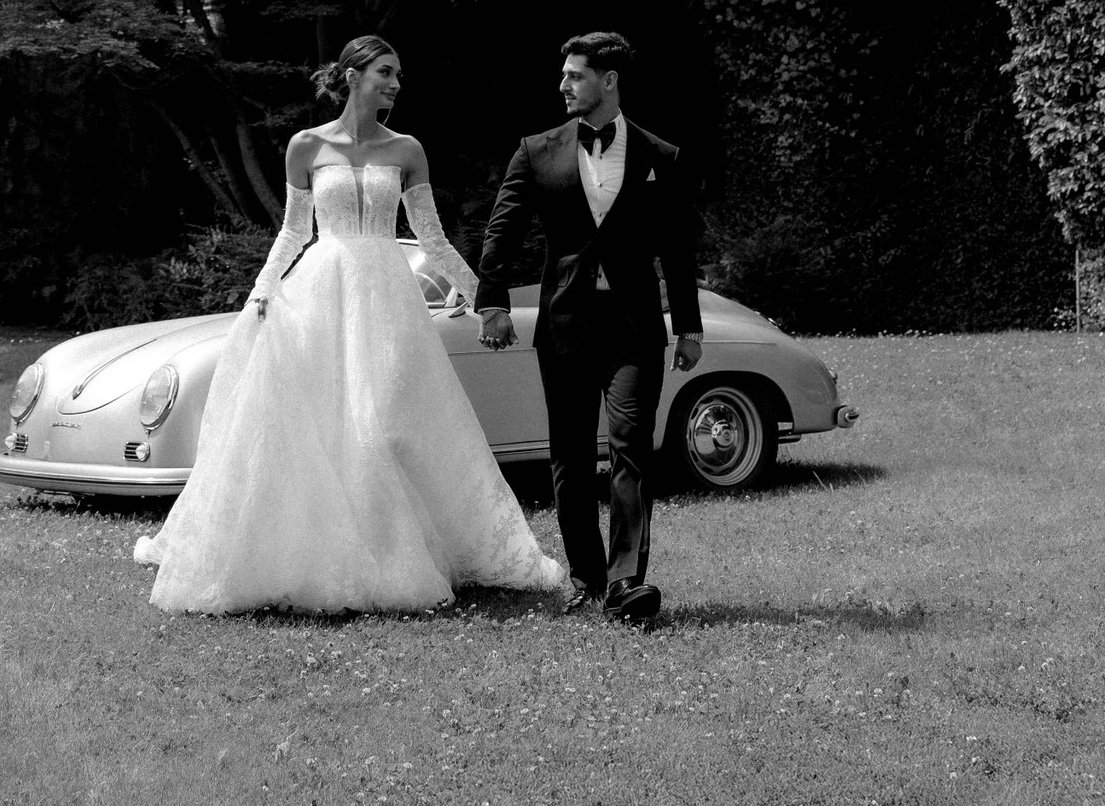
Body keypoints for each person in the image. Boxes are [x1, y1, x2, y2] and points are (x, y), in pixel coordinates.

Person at [134, 36, 562, 613]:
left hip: (387, 299)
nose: (395, 83)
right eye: (386, 72)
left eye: (399, 75)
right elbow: (293, 231)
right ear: (353, 75)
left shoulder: (407, 149)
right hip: (322, 291)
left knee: (385, 422)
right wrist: (262, 292)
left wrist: (484, 296)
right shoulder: (306, 146)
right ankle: (331, 555)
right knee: (328, 423)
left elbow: (431, 237)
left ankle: (401, 550)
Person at [476, 31, 702, 626]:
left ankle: (627, 582)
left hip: (634, 325)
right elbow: (502, 229)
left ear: (609, 80)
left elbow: (678, 249)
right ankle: (586, 577)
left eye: (575, 75)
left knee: (631, 444)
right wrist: (491, 300)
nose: (563, 85)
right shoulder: (536, 149)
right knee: (571, 455)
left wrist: (689, 326)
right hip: (566, 322)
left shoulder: (662, 156)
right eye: (564, 75)